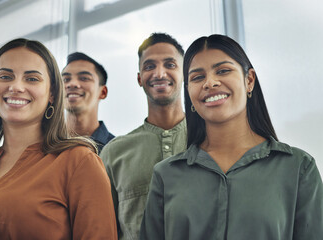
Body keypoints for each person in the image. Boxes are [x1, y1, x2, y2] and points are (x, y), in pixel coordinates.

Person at [140, 34, 323, 240]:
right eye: (197, 77)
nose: (210, 82)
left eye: (223, 71)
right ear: (189, 93)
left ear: (249, 80)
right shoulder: (166, 175)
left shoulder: (298, 168)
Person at [0, 38, 118, 239]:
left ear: (52, 94)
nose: (16, 86)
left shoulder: (79, 162)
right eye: (5, 76)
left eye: (32, 79)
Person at [100, 32, 187, 239]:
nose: (159, 73)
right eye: (149, 66)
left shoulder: (212, 139)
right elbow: (105, 230)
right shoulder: (114, 152)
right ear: (139, 78)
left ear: (185, 73)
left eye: (170, 65)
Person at [62, 52, 114, 153]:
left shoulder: (119, 151)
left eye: (84, 78)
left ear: (103, 92)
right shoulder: (41, 146)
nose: (72, 84)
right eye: (65, 79)